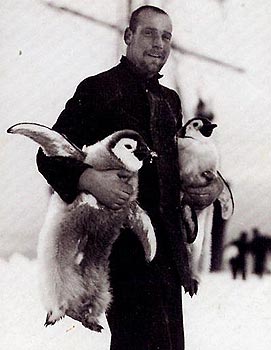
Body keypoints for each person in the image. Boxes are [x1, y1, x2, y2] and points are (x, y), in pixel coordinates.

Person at [37, 5, 223, 350]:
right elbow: (49, 154)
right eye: (149, 33)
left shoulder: (170, 100)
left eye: (166, 36)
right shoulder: (98, 89)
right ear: (128, 36)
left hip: (167, 254)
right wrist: (89, 178)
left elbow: (176, 170)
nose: (159, 43)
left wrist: (207, 186)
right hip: (123, 252)